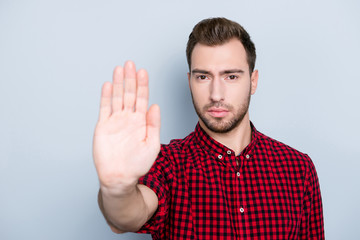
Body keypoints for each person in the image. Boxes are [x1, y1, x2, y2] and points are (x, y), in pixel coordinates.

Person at [93, 17, 324, 239]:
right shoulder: (165, 162)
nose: (216, 95)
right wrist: (118, 189)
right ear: (190, 81)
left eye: (231, 76)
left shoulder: (298, 168)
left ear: (253, 81)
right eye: (203, 77)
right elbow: (128, 216)